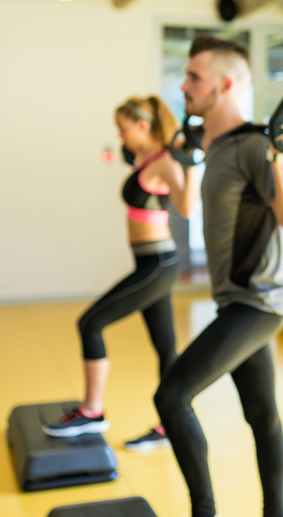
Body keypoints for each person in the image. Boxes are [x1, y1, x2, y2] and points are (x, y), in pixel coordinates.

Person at [150, 35, 283, 517]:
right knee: (262, 415)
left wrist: (279, 157)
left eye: (193, 77)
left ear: (223, 85)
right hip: (235, 301)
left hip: (259, 302)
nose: (183, 85)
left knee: (171, 396)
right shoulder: (213, 146)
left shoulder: (252, 144)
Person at [44, 96, 199, 453]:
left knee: (90, 324)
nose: (120, 134)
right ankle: (170, 425)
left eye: (124, 127)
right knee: (165, 348)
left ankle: (92, 410)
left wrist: (190, 163)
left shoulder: (164, 164)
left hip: (158, 264)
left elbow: (187, 208)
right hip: (149, 262)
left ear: (143, 126)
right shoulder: (146, 159)